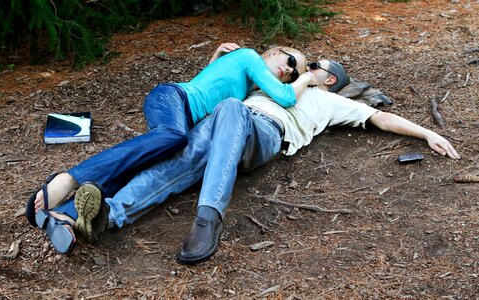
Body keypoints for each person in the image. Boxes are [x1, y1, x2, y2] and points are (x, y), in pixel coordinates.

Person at [31, 57, 460, 261]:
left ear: (330, 79)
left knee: (231, 112)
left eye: (314, 65)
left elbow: (381, 118)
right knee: (176, 162)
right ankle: (101, 216)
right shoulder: (270, 87)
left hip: (261, 135)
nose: (301, 68)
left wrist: (427, 132)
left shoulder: (330, 103)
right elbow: (217, 83)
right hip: (221, 127)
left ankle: (209, 216)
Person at [25, 44, 318, 246]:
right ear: (276, 51)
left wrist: (215, 59)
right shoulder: (251, 57)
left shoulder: (246, 87)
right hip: (170, 100)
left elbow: (206, 85)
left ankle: (66, 216)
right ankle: (69, 179)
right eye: (291, 62)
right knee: (173, 138)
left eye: (294, 73)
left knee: (151, 161)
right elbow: (287, 97)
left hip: (181, 115)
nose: (289, 72)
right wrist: (307, 77)